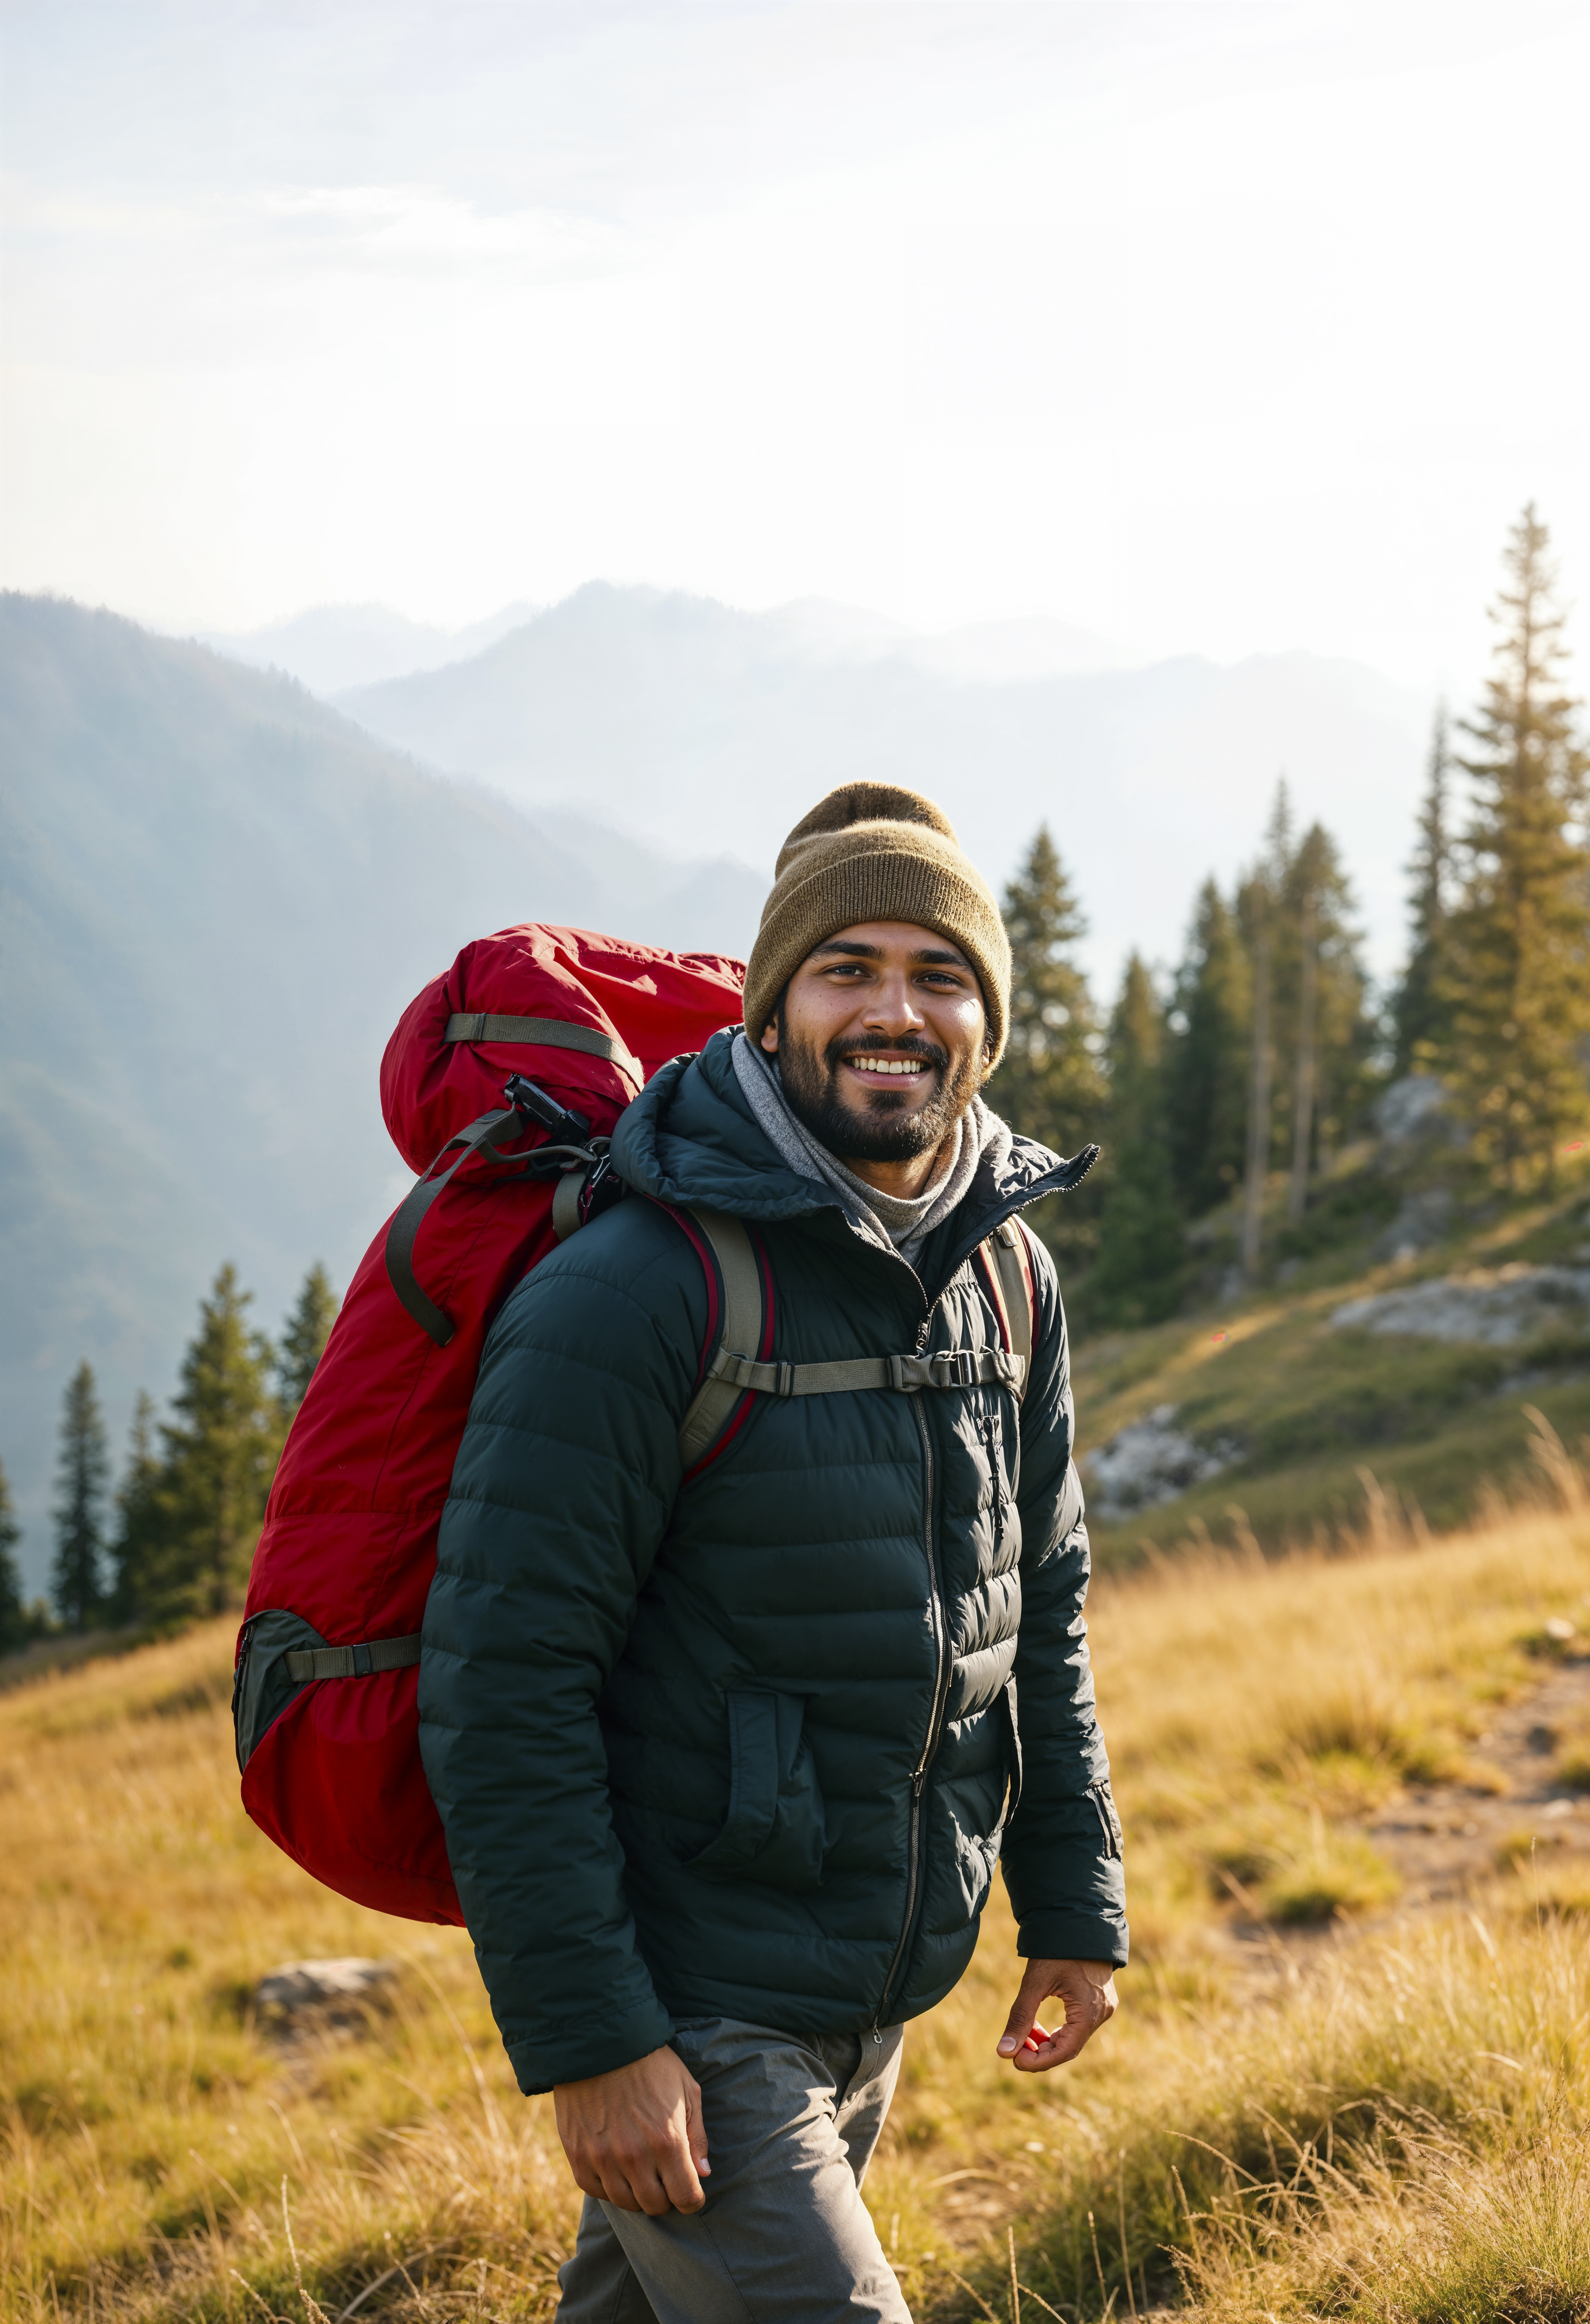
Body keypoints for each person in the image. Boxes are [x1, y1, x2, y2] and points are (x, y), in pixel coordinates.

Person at [419, 782, 1128, 2322]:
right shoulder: (637, 1288)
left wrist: (1071, 1903)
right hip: (688, 1985)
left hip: (868, 1970)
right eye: (846, 969)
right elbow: (503, 1681)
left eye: (938, 975)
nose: (894, 1010)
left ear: (985, 1021)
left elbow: (1045, 1607)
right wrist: (597, 2041)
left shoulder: (1005, 1273)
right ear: (773, 1009)